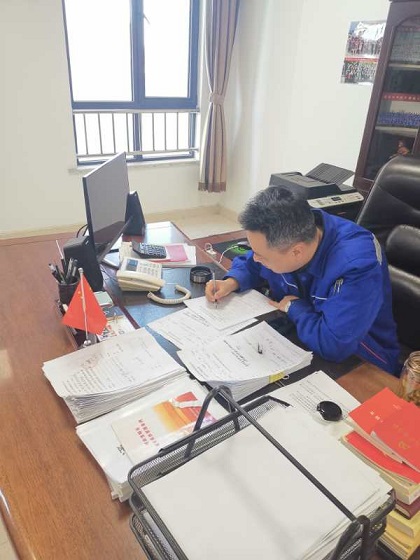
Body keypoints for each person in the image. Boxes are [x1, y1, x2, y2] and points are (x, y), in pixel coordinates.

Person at [205, 187, 401, 375]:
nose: (255, 257)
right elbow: (253, 262)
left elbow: (333, 345)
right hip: (301, 335)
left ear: (297, 252)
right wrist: (232, 281)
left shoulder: (357, 265)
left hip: (362, 363)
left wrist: (295, 307)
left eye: (260, 255)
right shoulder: (292, 232)